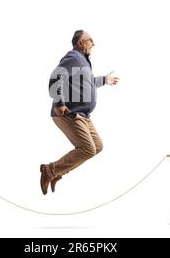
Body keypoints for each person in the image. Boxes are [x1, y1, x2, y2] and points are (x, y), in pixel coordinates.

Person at [40, 30, 119, 195]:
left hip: (83, 116)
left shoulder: (83, 61)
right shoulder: (74, 57)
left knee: (97, 146)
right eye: (90, 40)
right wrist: (59, 102)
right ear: (80, 42)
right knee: (88, 149)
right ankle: (50, 170)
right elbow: (55, 77)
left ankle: (58, 172)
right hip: (68, 113)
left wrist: (105, 80)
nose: (93, 43)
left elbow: (87, 83)